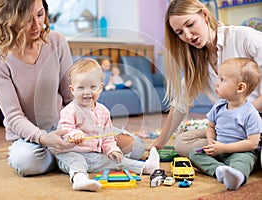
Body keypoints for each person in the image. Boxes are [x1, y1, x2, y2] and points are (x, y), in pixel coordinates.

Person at [0, 0, 144, 177]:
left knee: (135, 147)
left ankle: (69, 156)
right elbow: (14, 117)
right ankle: (74, 156)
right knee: (27, 162)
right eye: (27, 19)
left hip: (69, 127)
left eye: (40, 14)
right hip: (31, 138)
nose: (38, 25)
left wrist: (90, 127)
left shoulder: (56, 41)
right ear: (10, 19)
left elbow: (70, 96)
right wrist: (44, 138)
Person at [152, 0, 262, 162]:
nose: (188, 36)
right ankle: (241, 150)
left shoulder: (243, 37)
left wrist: (242, 115)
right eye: (180, 32)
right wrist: (157, 145)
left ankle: (244, 151)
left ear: (204, 15)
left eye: (190, 24)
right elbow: (179, 107)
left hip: (253, 120)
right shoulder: (196, 65)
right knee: (182, 143)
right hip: (231, 129)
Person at [55, 58, 160, 192]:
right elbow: (64, 129)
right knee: (77, 162)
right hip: (70, 153)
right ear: (72, 89)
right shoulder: (69, 110)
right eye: (81, 88)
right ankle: (79, 179)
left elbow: (107, 138)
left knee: (117, 161)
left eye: (92, 87)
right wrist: (73, 134)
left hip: (94, 155)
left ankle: (146, 167)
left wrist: (112, 150)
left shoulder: (104, 111)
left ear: (101, 87)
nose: (87, 92)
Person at [189, 57, 262, 191]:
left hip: (241, 152)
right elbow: (211, 126)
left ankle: (236, 178)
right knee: (194, 154)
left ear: (240, 87)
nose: (217, 84)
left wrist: (225, 148)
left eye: (222, 80)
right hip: (219, 150)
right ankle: (219, 171)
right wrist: (211, 141)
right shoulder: (219, 106)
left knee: (242, 162)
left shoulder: (250, 113)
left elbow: (252, 143)